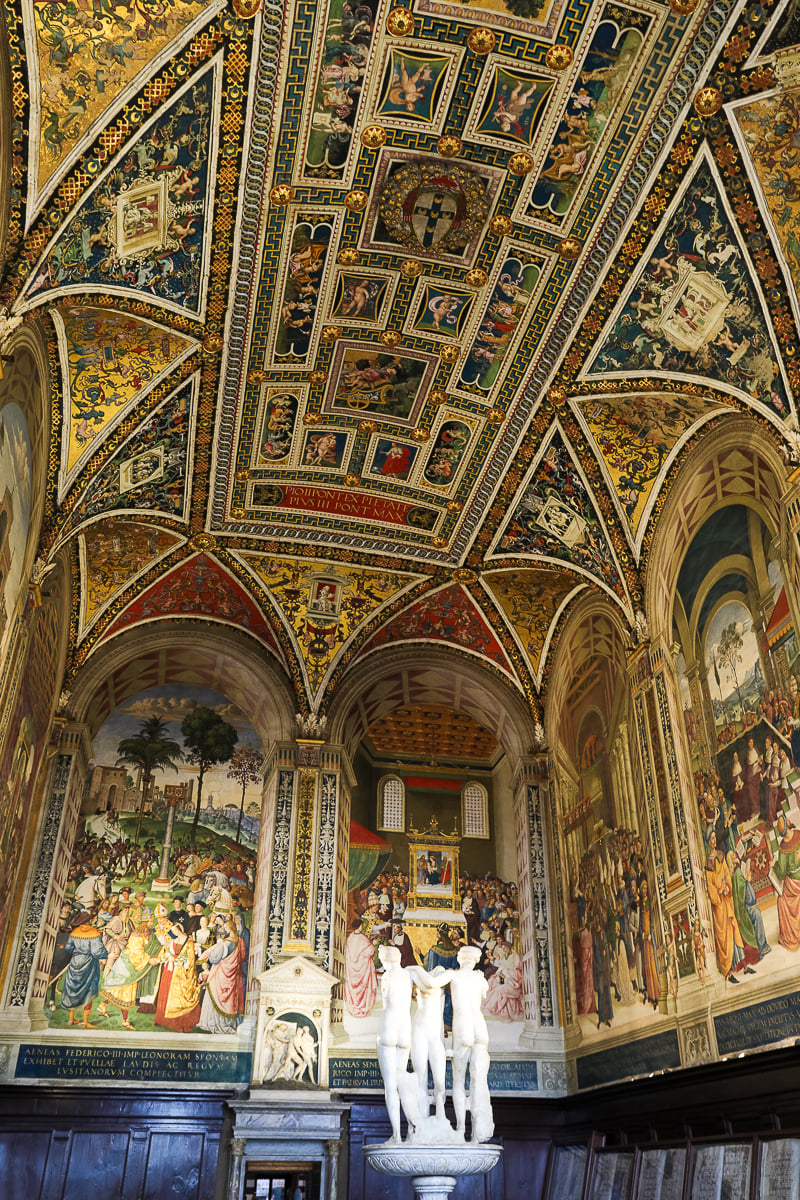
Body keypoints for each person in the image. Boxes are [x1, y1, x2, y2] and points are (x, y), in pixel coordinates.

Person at [437, 946, 494, 1143]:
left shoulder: (453, 975)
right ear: (475, 960)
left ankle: (461, 1129)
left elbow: (433, 984)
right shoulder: (480, 978)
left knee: (459, 1080)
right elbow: (484, 994)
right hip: (480, 1027)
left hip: (463, 1027)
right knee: (479, 1080)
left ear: (460, 959)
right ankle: (477, 1134)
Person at [375, 945, 421, 1143]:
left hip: (389, 1026)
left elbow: (387, 1001)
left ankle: (396, 1135)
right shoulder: (409, 974)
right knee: (402, 1082)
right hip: (405, 1029)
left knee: (391, 1085)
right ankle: (411, 1127)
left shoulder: (387, 976)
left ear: (386, 959)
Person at [60, 912, 107, 1027]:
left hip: (75, 962)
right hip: (89, 964)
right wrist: (106, 954)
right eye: (94, 918)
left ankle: (71, 1020)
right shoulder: (94, 932)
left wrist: (78, 951)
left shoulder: (75, 932)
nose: (95, 919)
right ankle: (85, 1022)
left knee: (72, 989)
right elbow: (97, 952)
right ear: (91, 920)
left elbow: (68, 948)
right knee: (89, 990)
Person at [772, 814, 800, 951]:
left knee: (781, 900)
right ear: (788, 824)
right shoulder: (798, 834)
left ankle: (791, 936)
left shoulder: (783, 848)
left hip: (795, 882)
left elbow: (781, 873)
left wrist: (774, 865)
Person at [344, 919, 378, 1017]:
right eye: (361, 925)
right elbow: (370, 951)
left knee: (354, 988)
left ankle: (354, 1006)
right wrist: (373, 944)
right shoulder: (363, 938)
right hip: (363, 968)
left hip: (351, 967)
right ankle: (363, 1006)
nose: (362, 927)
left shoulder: (350, 938)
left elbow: (349, 953)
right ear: (359, 926)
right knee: (364, 987)